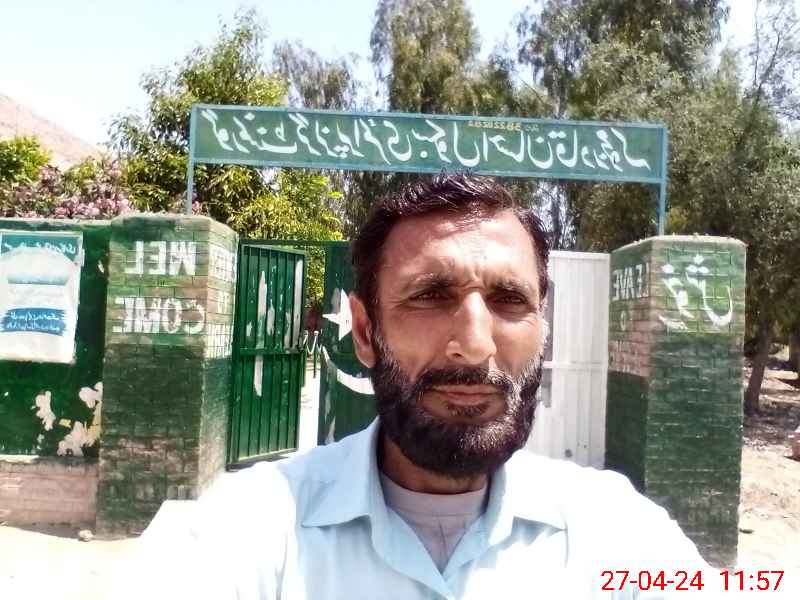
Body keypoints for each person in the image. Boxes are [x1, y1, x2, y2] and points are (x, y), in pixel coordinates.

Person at [123, 173, 717, 600]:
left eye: (510, 300)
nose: (475, 345)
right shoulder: (239, 532)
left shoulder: (618, 531)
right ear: (364, 331)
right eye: (431, 296)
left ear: (543, 328)